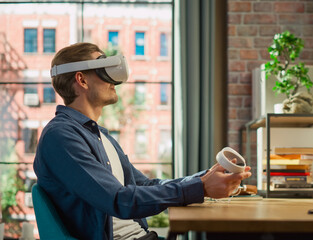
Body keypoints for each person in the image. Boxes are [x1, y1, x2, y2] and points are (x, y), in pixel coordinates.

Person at [33, 42, 251, 240]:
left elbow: (146, 186)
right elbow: (119, 200)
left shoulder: (99, 135)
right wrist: (201, 188)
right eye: (103, 70)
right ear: (81, 80)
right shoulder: (60, 137)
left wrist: (206, 178)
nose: (113, 80)